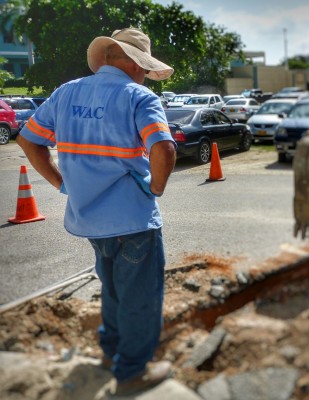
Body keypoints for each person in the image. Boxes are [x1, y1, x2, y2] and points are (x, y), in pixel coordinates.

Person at [17, 27, 177, 396]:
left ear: (106, 57)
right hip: (134, 221)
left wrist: (62, 184)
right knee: (139, 299)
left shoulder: (67, 91)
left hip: (88, 221)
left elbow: (28, 140)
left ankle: (110, 356)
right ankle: (133, 372)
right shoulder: (139, 97)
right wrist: (156, 187)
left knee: (113, 290)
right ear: (138, 65)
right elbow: (164, 149)